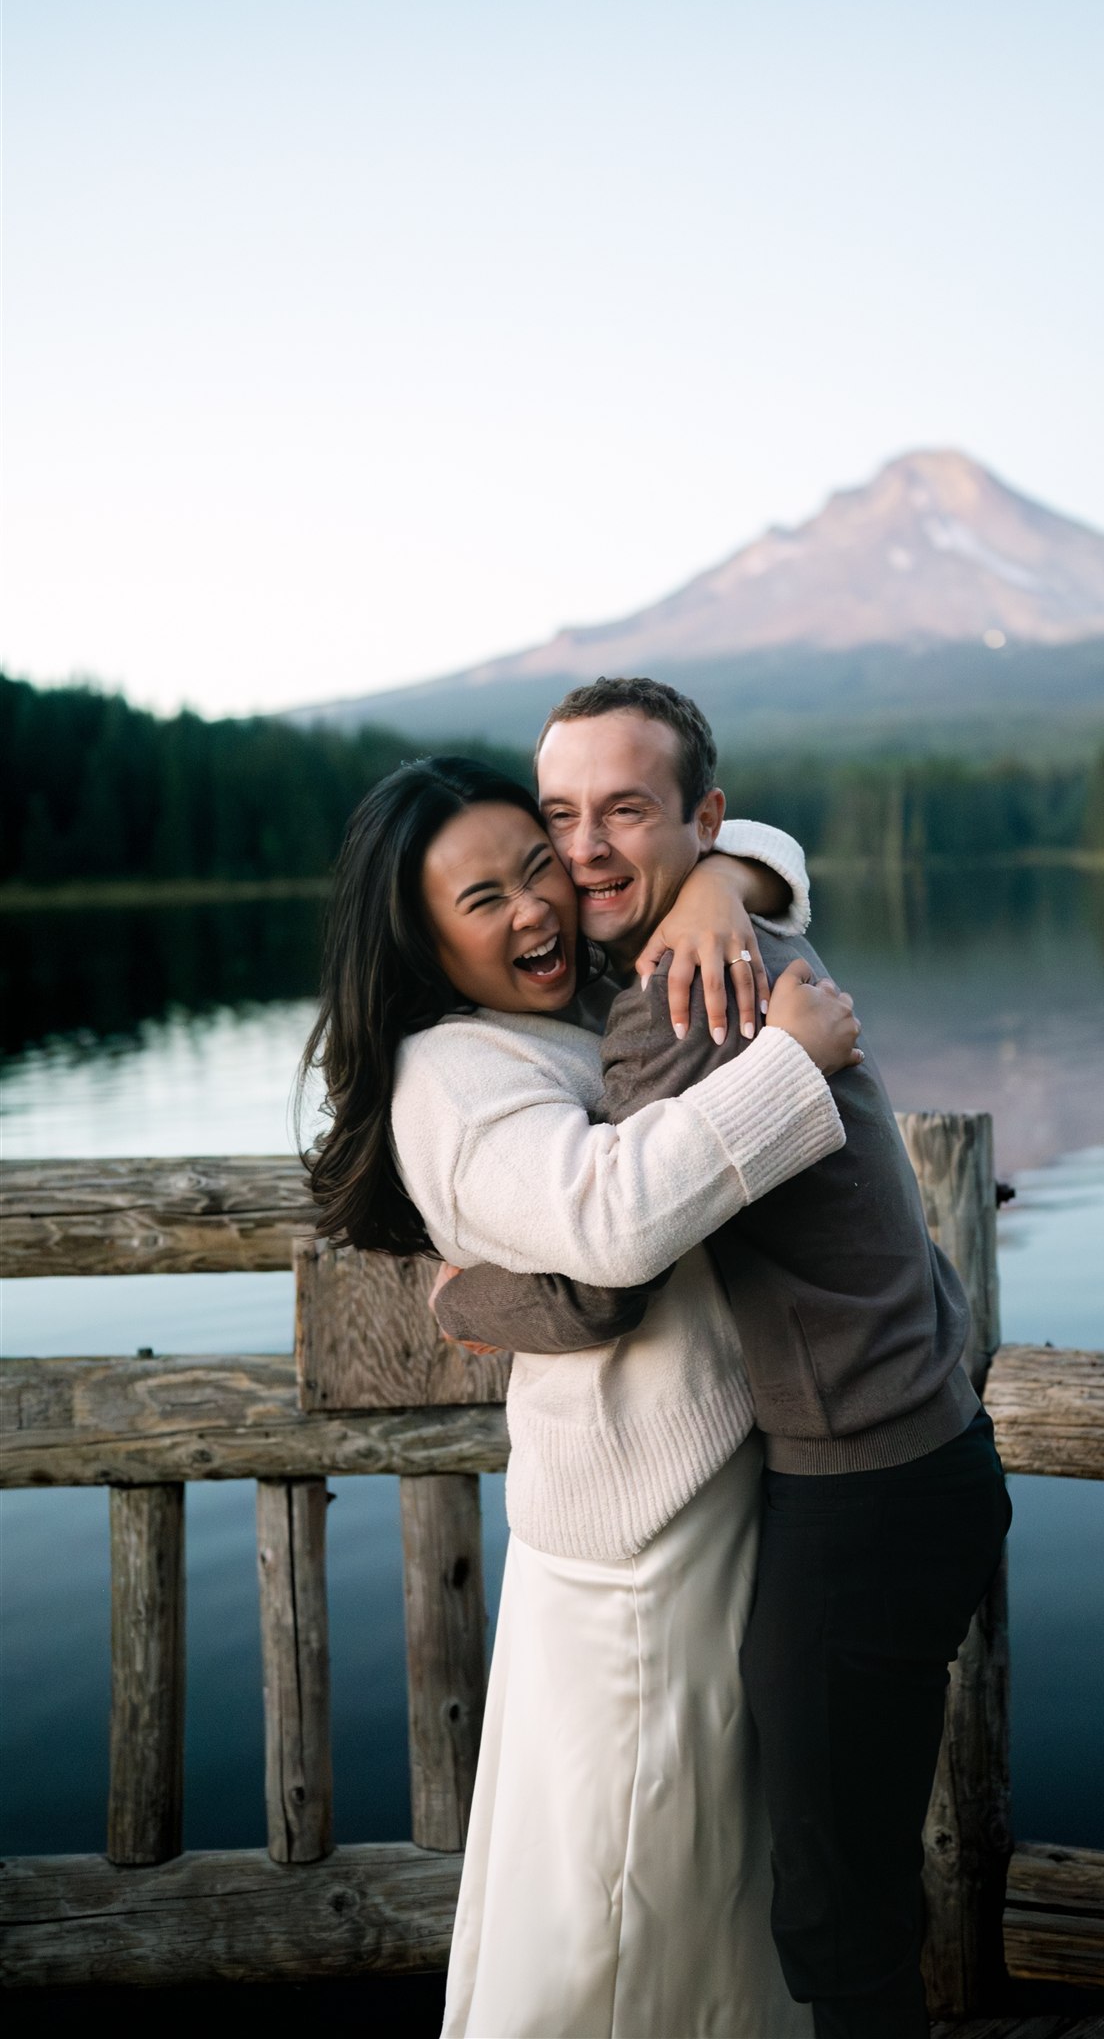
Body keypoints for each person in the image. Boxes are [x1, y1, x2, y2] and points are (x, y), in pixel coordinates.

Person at [435, 677, 1013, 2039]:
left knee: (830, 1901)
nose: (581, 848)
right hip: (908, 1463)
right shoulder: (709, 929)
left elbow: (602, 1279)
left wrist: (459, 1296)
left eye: (622, 812)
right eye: (559, 815)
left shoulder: (690, 995)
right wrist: (722, 875)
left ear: (697, 817)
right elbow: (756, 862)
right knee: (838, 1868)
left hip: (867, 1491)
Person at [300, 753, 862, 2038]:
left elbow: (744, 847)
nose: (537, 907)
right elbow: (606, 1226)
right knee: (616, 1891)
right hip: (632, 1548)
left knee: (699, 1876)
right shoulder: (453, 1070)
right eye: (484, 896)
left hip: (699, 1504)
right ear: (424, 939)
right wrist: (792, 1061)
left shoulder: (578, 1000)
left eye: (540, 862)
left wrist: (721, 875)